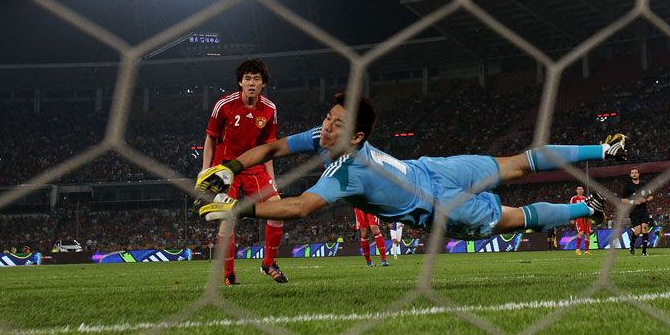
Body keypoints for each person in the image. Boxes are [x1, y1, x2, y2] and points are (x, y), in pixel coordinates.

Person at [194, 93, 628, 242]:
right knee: (517, 190)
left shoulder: (348, 171)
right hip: (434, 185)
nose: (326, 127)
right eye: (328, 118)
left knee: (517, 182)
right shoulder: (326, 139)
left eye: (337, 125)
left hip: (437, 186)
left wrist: (238, 209)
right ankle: (591, 199)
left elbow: (298, 208)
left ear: (357, 138)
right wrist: (229, 166)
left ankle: (600, 166)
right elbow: (270, 148)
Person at [201, 58, 286, 285]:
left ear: (263, 84)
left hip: (254, 166)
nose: (251, 83)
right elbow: (211, 138)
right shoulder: (224, 105)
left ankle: (268, 263)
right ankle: (229, 274)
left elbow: (268, 148)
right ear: (240, 82)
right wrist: (205, 171)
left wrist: (273, 179)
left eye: (256, 79)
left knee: (278, 211)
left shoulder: (269, 109)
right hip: (226, 167)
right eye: (247, 78)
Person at [622, 168, 654, 256]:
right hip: (634, 210)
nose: (634, 174)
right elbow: (623, 200)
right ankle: (632, 244)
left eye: (636, 172)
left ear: (638, 174)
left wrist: (646, 199)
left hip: (643, 209)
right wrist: (633, 202)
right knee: (637, 231)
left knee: (645, 227)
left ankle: (644, 251)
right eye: (633, 173)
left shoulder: (644, 184)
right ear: (630, 175)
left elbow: (651, 197)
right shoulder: (628, 186)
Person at [569, 185, 592, 256]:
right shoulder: (574, 199)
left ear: (583, 190)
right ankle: (577, 249)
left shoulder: (586, 199)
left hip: (586, 218)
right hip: (579, 218)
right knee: (581, 232)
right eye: (578, 189)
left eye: (581, 189)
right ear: (576, 191)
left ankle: (586, 251)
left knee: (587, 234)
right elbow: (571, 209)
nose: (580, 191)